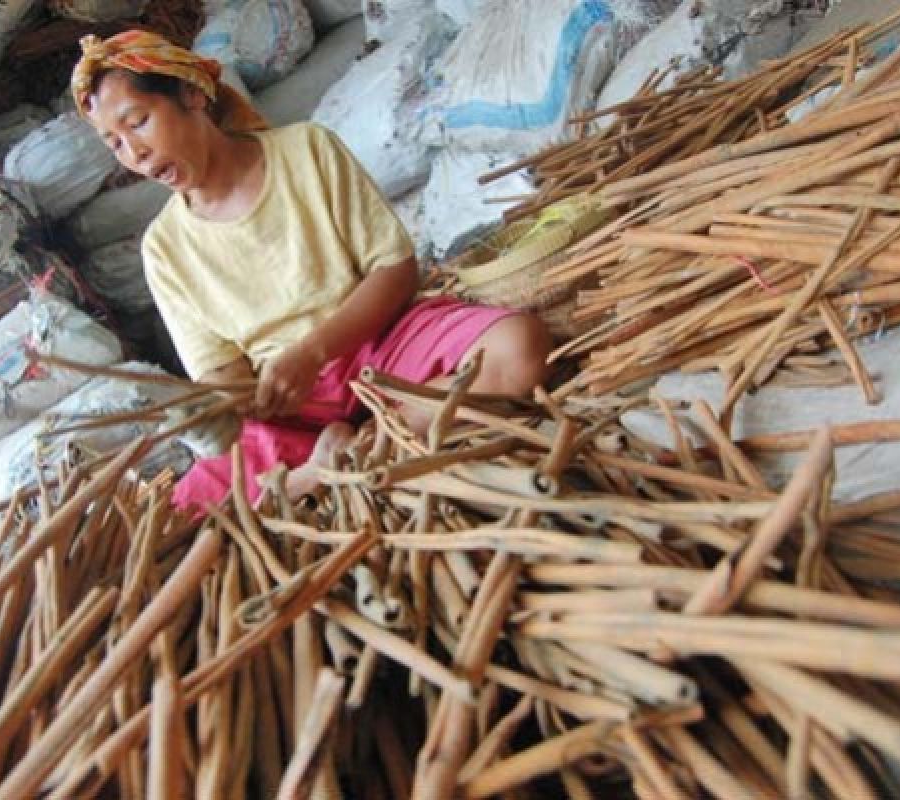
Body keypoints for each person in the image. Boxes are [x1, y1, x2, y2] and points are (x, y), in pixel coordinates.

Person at [72, 31, 551, 512]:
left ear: (192, 93)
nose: (134, 152)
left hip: (379, 345)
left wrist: (314, 351)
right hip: (290, 405)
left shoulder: (306, 150)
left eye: (138, 122)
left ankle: (357, 447)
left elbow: (395, 270)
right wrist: (229, 402)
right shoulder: (164, 248)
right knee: (188, 511)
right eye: (114, 143)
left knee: (518, 349)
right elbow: (223, 371)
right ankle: (317, 469)